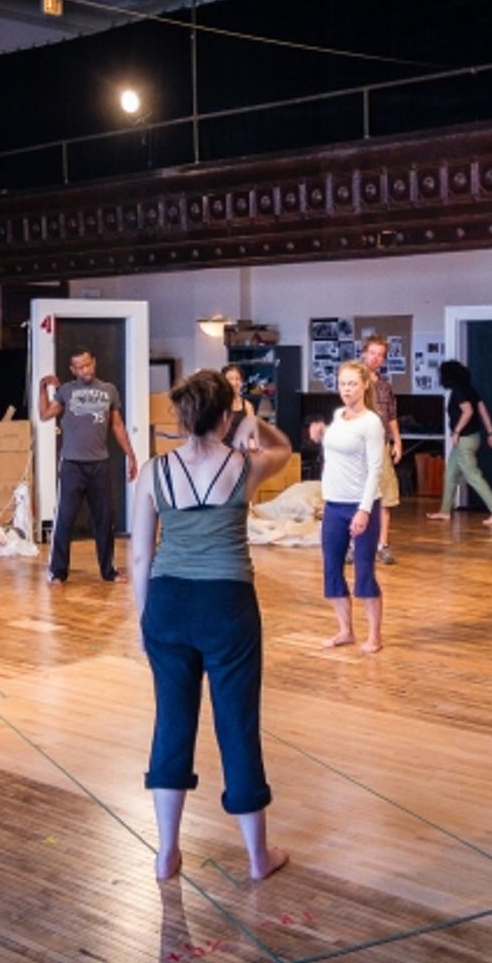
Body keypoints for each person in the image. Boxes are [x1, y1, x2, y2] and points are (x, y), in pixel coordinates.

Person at [130, 369, 292, 883]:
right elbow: (285, 448)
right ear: (225, 417)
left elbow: (138, 556)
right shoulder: (245, 466)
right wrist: (253, 423)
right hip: (228, 606)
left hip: (168, 603)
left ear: (182, 417)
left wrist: (142, 619)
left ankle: (166, 853)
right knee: (237, 726)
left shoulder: (153, 471)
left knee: (172, 724)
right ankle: (256, 858)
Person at [39, 348, 138, 584]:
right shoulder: (66, 391)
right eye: (80, 367)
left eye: (88, 364)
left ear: (94, 362)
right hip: (72, 464)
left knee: (105, 519)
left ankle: (109, 570)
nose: (86, 370)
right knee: (65, 519)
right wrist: (42, 387)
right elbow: (44, 415)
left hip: (100, 465)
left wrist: (131, 456)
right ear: (73, 370)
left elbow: (117, 426)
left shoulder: (109, 390)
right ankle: (57, 572)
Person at [320, 360, 386, 654]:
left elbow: (375, 469)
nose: (346, 389)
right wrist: (321, 434)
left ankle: (374, 635)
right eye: (343, 383)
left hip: (361, 504)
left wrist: (364, 510)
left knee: (363, 572)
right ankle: (345, 631)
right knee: (332, 569)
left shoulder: (371, 422)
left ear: (364, 386)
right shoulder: (337, 416)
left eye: (352, 384)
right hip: (333, 503)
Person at [426, 359, 492, 526]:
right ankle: (444, 511)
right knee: (450, 475)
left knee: (472, 475)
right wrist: (490, 432)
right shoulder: (469, 389)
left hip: (464, 440)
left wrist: (456, 431)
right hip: (473, 437)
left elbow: (467, 411)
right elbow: (482, 410)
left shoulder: (458, 391)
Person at [361, 335, 401, 564]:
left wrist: (397, 441)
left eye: (381, 355)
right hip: (360, 445)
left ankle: (383, 544)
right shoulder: (356, 381)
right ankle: (354, 544)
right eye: (373, 353)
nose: (376, 358)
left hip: (382, 444)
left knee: (385, 495)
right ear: (365, 353)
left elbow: (391, 415)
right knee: (358, 495)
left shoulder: (385, 386)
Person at [220, 363, 256, 447]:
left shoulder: (247, 406)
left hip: (240, 450)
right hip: (220, 451)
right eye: (230, 379)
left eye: (237, 379)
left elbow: (251, 433)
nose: (234, 383)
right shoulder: (217, 404)